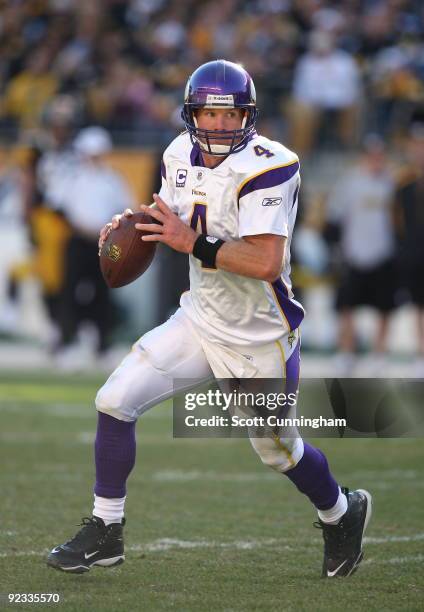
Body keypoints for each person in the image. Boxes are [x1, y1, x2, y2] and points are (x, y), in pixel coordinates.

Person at [47, 60, 372, 578]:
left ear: (248, 116)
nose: (219, 125)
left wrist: (191, 242)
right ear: (191, 112)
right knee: (113, 400)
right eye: (209, 113)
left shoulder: (272, 165)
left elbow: (264, 261)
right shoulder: (178, 151)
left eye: (230, 114)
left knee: (278, 450)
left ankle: (341, 510)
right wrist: (133, 223)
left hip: (258, 334)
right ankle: (106, 530)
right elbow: (171, 216)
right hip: (200, 317)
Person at [326, 135, 397, 373]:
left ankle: (379, 353)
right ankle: (347, 351)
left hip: (383, 252)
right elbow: (334, 215)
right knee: (346, 307)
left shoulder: (392, 182)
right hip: (354, 253)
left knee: (384, 308)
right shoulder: (350, 182)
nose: (375, 160)